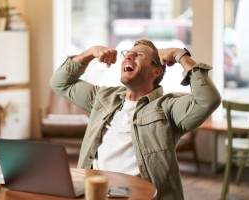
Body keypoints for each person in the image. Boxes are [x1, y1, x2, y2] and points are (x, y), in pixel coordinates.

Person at [50, 39, 221, 200]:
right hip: (97, 191)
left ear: (156, 71)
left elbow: (208, 99)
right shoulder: (104, 97)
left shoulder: (167, 108)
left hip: (140, 195)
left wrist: (180, 55)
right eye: (128, 54)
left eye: (139, 54)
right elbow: (60, 83)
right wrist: (88, 53)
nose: (129, 57)